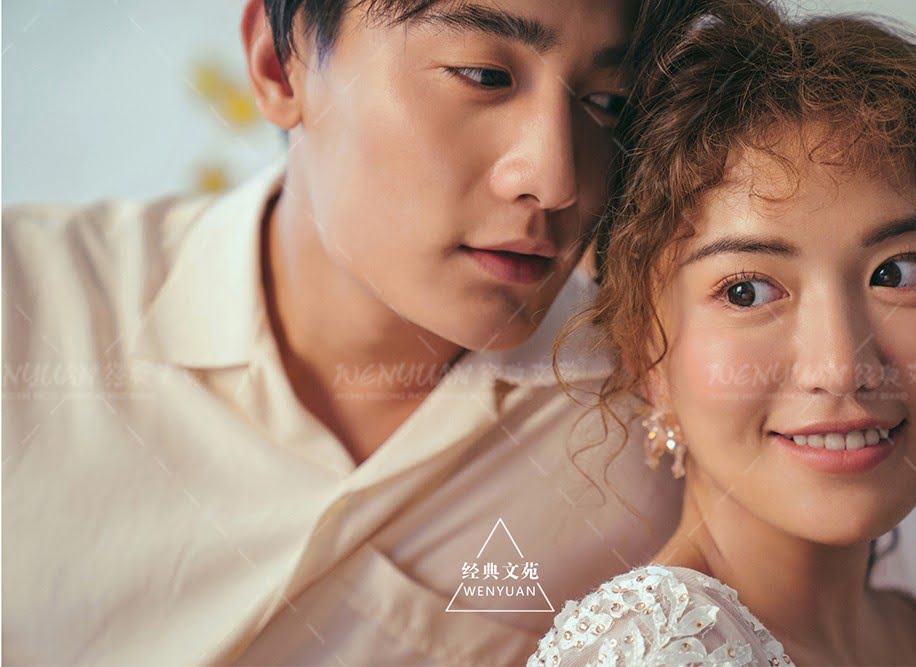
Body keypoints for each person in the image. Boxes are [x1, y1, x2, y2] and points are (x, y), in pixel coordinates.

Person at [1, 1, 707, 664]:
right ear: (279, 66)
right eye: (483, 76)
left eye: (607, 103)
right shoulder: (27, 307)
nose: (555, 180)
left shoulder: (662, 417)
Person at [529, 1, 916, 664]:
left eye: (899, 273)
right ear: (645, 355)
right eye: (746, 291)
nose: (841, 367)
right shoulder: (651, 653)